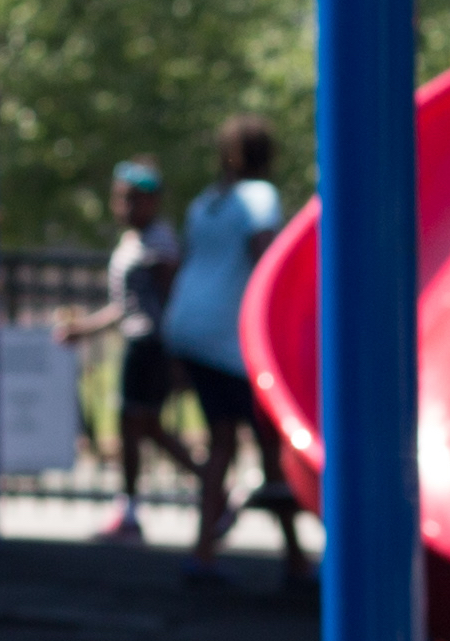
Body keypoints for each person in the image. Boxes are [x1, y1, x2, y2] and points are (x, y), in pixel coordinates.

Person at [159, 114, 303, 588]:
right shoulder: (259, 197)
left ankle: (206, 551)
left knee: (222, 440)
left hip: (189, 326)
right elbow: (265, 255)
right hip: (229, 336)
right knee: (269, 446)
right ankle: (294, 559)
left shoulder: (206, 202)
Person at [69, 160, 187, 546]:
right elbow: (123, 305)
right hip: (137, 343)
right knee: (140, 427)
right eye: (120, 198)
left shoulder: (159, 244)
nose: (125, 207)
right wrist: (84, 329)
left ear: (153, 201)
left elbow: (168, 302)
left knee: (139, 425)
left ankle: (208, 488)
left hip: (151, 346)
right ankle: (134, 508)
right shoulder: (132, 241)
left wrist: (175, 357)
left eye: (134, 199)